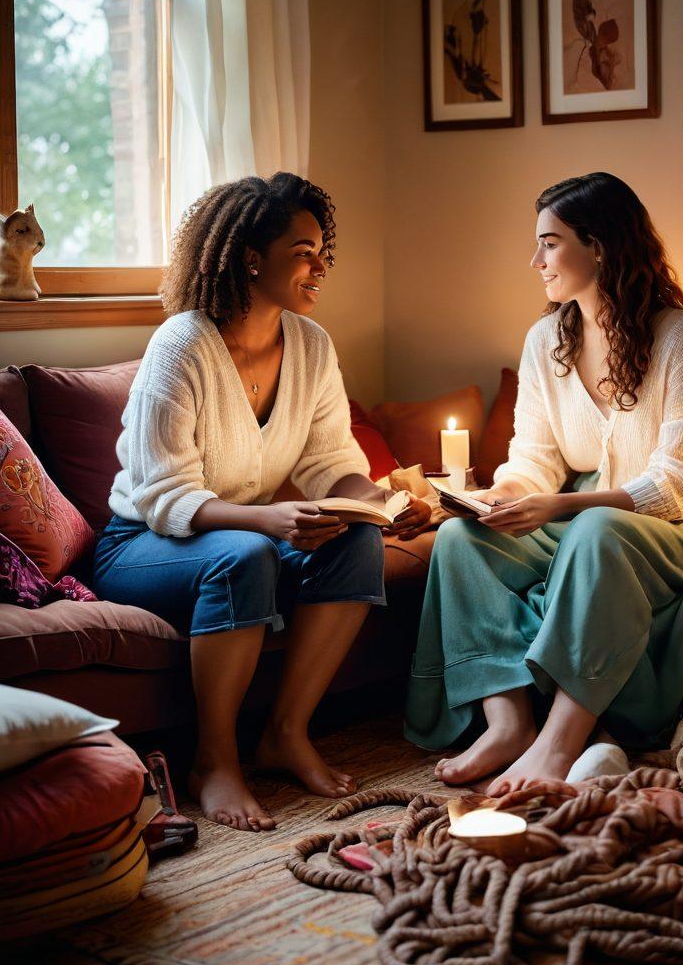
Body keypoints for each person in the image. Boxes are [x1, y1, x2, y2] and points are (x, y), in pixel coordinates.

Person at [93, 172, 431, 831]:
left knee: (358, 543)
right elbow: (163, 493)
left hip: (238, 532)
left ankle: (285, 732)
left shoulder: (311, 345)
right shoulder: (183, 344)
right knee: (245, 556)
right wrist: (267, 519)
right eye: (304, 250)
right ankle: (214, 763)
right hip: (142, 544)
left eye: (322, 251)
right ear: (252, 256)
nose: (320, 266)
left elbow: (331, 464)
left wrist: (382, 503)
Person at [404, 172, 683, 796]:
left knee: (597, 530)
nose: (535, 260)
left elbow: (672, 488)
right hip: (584, 515)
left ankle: (558, 746)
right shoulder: (544, 340)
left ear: (602, 247)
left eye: (550, 243)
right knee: (460, 542)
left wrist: (559, 504)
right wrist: (491, 501)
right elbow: (533, 460)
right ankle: (507, 724)